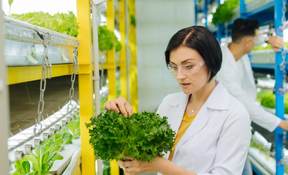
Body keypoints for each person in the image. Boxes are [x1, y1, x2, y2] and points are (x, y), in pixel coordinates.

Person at [105, 26, 251, 175]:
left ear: (211, 62)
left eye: (188, 66)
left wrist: (161, 166)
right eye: (174, 67)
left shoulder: (235, 115)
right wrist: (122, 122)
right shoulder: (170, 102)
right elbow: (145, 150)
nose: (179, 76)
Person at [217, 18, 288, 133]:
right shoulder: (224, 67)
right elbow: (244, 102)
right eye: (255, 39)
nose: (256, 42)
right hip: (226, 125)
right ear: (248, 42)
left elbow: (253, 39)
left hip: (238, 118)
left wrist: (268, 40)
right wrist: (280, 123)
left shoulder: (237, 49)